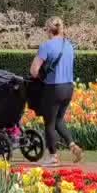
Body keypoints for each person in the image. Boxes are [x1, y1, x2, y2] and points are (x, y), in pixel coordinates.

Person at [30, 17, 82, 166]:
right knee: (59, 119)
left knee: (49, 123)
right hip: (68, 87)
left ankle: (53, 157)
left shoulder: (46, 46)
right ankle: (72, 145)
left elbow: (34, 71)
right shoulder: (69, 46)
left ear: (48, 29)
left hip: (53, 88)